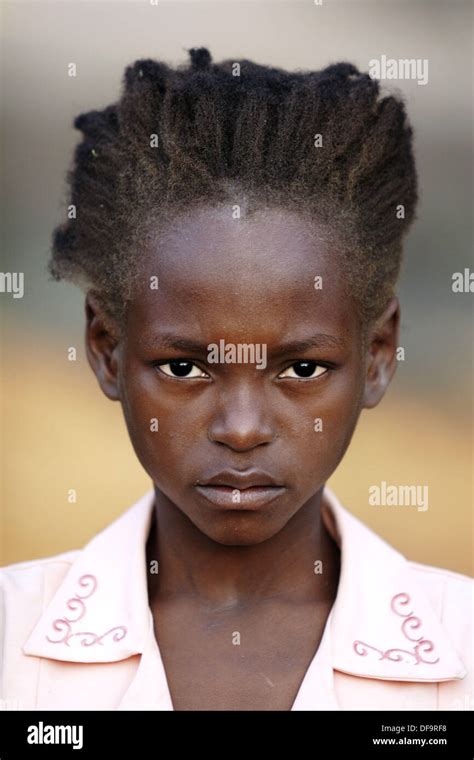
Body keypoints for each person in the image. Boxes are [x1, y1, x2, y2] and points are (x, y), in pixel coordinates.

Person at [1, 48, 472, 711]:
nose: (243, 429)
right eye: (185, 368)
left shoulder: (462, 651)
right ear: (106, 349)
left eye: (302, 369)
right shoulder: (10, 643)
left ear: (378, 353)